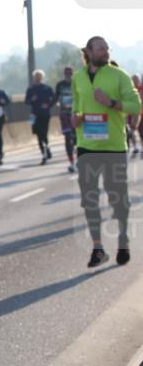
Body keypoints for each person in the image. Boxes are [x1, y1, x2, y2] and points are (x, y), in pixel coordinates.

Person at [72, 36, 142, 268]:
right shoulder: (79, 77)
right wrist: (76, 117)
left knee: (118, 198)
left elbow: (136, 106)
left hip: (113, 146)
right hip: (86, 146)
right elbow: (76, 103)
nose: (105, 51)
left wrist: (111, 102)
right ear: (89, 52)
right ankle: (98, 248)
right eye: (100, 48)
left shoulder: (119, 75)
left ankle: (123, 240)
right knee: (89, 199)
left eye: (107, 48)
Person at [25, 69, 55, 165]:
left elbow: (54, 99)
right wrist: (31, 99)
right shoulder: (30, 89)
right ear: (34, 78)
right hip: (35, 115)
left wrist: (48, 105)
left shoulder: (47, 88)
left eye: (39, 77)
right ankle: (45, 152)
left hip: (45, 114)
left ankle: (45, 153)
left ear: (42, 78)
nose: (37, 79)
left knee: (44, 134)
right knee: (38, 135)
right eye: (36, 77)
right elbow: (26, 101)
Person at [52, 66, 78, 173]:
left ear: (73, 73)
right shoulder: (60, 85)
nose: (68, 75)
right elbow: (55, 98)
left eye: (70, 73)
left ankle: (78, 158)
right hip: (64, 115)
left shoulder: (77, 83)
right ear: (64, 74)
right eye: (66, 73)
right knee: (67, 139)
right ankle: (71, 162)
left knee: (77, 139)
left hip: (76, 114)